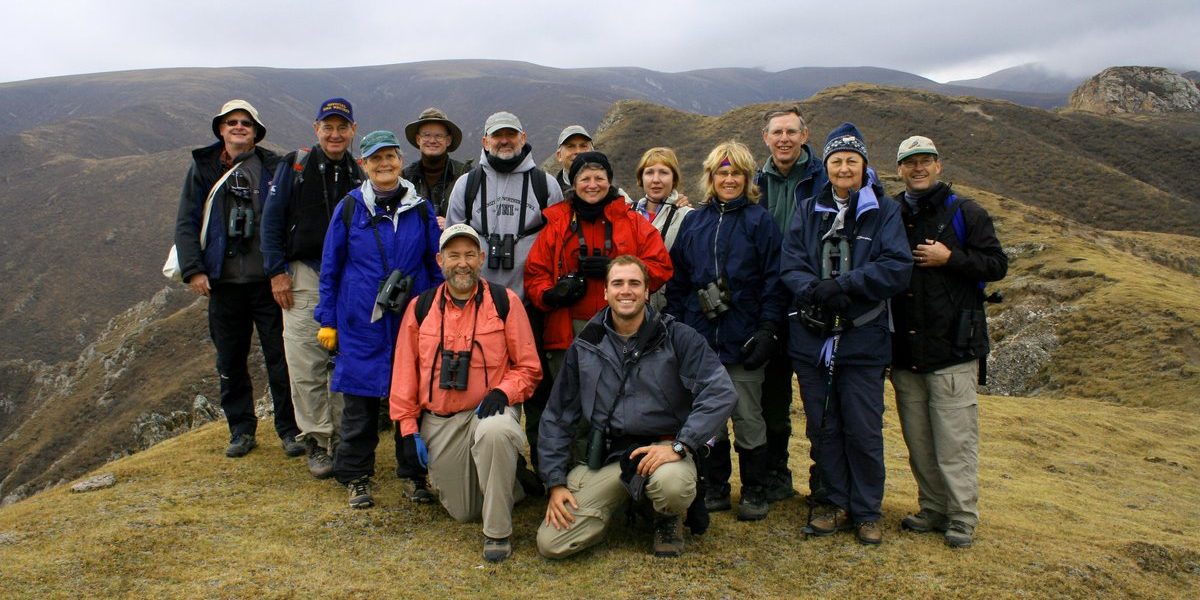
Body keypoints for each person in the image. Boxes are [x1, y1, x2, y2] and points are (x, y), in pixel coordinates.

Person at [537, 256, 737, 558]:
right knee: (551, 543)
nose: (626, 291)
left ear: (647, 292)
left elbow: (721, 392)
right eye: (617, 283)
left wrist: (681, 446)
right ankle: (626, 504)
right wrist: (555, 482)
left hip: (664, 452)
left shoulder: (679, 337)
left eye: (634, 283)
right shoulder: (586, 344)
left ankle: (666, 515)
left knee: (672, 486)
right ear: (605, 292)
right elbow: (557, 416)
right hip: (612, 456)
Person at [780, 123, 911, 545]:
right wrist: (814, 291)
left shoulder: (884, 211)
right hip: (812, 336)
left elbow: (896, 266)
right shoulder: (807, 209)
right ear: (827, 166)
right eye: (836, 161)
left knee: (863, 427)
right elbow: (791, 263)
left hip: (863, 337)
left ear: (863, 166)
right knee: (823, 426)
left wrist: (846, 286)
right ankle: (832, 502)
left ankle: (867, 509)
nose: (842, 168)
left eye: (851, 161)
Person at [390, 223, 542, 563]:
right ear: (439, 260)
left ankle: (497, 533)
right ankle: (511, 482)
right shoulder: (420, 308)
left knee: (498, 431)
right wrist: (407, 430)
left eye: (470, 255)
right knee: (464, 511)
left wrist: (504, 392)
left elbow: (529, 368)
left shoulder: (505, 302)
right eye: (454, 255)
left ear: (482, 258)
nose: (463, 263)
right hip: (440, 419)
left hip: (486, 412)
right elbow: (404, 375)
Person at [889, 136, 1007, 549]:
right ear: (899, 169)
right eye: (910, 163)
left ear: (938, 165)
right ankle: (933, 507)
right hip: (905, 351)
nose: (918, 168)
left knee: (955, 441)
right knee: (919, 440)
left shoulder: (966, 212)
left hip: (952, 350)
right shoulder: (892, 213)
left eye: (925, 161)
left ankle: (961, 516)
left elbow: (996, 264)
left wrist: (950, 258)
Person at [316, 130, 443, 509]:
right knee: (359, 403)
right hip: (360, 321)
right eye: (376, 158)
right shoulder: (351, 208)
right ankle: (355, 476)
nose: (384, 164)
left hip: (410, 320)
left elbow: (434, 266)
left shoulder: (420, 208)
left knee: (411, 400)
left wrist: (437, 313)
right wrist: (328, 319)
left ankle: (415, 475)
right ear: (364, 164)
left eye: (390, 156)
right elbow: (330, 268)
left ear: (401, 161)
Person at [663, 140, 786, 522]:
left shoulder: (759, 221)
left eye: (736, 173)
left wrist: (767, 329)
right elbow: (678, 281)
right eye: (722, 172)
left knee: (749, 417)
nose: (729, 179)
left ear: (747, 178)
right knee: (708, 419)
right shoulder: (694, 223)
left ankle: (755, 488)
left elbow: (774, 281)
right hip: (701, 340)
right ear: (710, 177)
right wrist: (682, 327)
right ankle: (714, 485)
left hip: (744, 339)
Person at [173, 99, 300, 459]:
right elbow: (186, 220)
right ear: (221, 129)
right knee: (230, 360)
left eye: (246, 122)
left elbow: (287, 217)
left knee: (281, 358)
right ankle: (241, 430)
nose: (239, 127)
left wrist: (283, 270)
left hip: (268, 283)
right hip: (223, 283)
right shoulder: (203, 169)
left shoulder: (274, 168)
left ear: (256, 132)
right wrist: (194, 269)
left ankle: (289, 430)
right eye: (232, 122)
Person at [444, 111, 563, 484]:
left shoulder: (546, 185)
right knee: (491, 385)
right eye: (498, 136)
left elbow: (558, 244)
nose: (504, 141)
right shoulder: (467, 184)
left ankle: (547, 470)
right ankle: (502, 468)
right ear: (485, 141)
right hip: (483, 307)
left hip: (533, 305)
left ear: (523, 137)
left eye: (511, 135)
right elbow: (451, 239)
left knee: (539, 392)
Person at [261, 98, 363, 478]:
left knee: (341, 360)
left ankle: (340, 437)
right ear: (316, 129)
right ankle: (317, 441)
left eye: (342, 127)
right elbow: (270, 222)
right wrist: (276, 272)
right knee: (305, 361)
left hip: (348, 280)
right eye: (328, 126)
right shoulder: (295, 165)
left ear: (353, 130)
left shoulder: (358, 174)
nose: (335, 134)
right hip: (302, 275)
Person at [525, 151, 673, 380]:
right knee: (572, 406)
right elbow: (535, 273)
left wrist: (617, 271)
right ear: (573, 184)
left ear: (609, 181)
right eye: (585, 179)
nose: (592, 185)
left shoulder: (632, 222)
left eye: (599, 178)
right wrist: (550, 295)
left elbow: (661, 266)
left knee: (620, 403)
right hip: (567, 330)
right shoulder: (557, 224)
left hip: (624, 328)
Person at [754, 106, 826, 505]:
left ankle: (826, 481)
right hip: (769, 300)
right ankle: (774, 474)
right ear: (765, 137)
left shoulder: (822, 177)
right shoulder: (754, 182)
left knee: (820, 399)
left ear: (805, 135)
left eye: (791, 131)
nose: (784, 138)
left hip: (814, 298)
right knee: (772, 398)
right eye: (776, 132)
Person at [632, 147, 693, 312]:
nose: (656, 179)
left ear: (674, 178)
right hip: (630, 308)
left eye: (664, 172)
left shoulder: (688, 217)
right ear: (641, 178)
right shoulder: (628, 213)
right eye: (649, 172)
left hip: (670, 310)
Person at [402, 107, 471, 229]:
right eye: (426, 135)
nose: (432, 141)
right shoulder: (405, 177)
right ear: (418, 139)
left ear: (448, 140)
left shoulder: (466, 175)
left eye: (439, 136)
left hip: (454, 245)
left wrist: (453, 225)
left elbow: (477, 217)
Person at [553, 125, 594, 192]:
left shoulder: (607, 191)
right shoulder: (551, 194)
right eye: (571, 146)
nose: (578, 151)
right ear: (559, 155)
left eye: (583, 146)